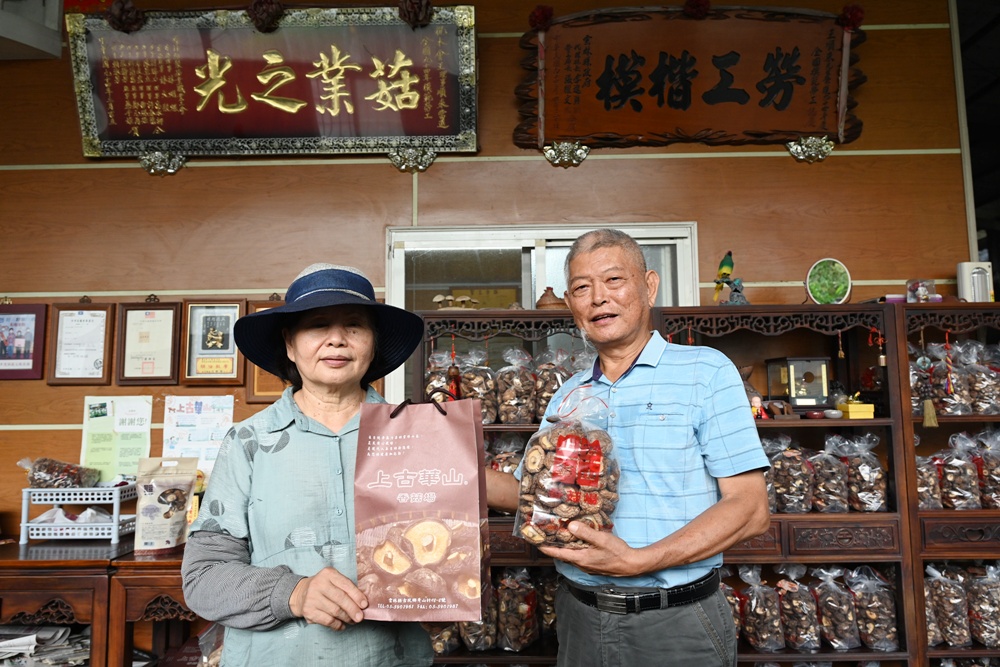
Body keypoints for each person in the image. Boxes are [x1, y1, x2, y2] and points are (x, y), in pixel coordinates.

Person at [486, 229, 770, 667]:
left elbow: (750, 509)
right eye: (582, 288)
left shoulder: (706, 372)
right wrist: (445, 466)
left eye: (614, 280)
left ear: (649, 286)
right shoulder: (569, 395)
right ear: (571, 305)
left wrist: (639, 561)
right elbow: (528, 494)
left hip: (676, 621)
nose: (598, 298)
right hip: (580, 616)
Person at [181, 263, 432, 666]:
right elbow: (203, 579)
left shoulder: (414, 436)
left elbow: (447, 547)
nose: (337, 339)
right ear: (289, 344)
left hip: (389, 657)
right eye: (317, 325)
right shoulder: (248, 442)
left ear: (373, 342)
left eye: (354, 325)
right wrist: (293, 593)